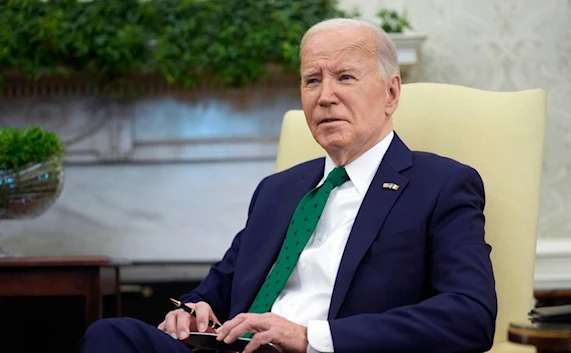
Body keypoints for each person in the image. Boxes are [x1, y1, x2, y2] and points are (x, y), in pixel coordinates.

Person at [77, 18, 497, 353]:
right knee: (111, 335)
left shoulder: (440, 184)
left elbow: (469, 316)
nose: (325, 96)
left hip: (326, 350)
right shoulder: (277, 191)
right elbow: (213, 291)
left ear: (391, 93)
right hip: (231, 350)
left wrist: (308, 337)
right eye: (312, 80)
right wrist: (192, 310)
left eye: (345, 77)